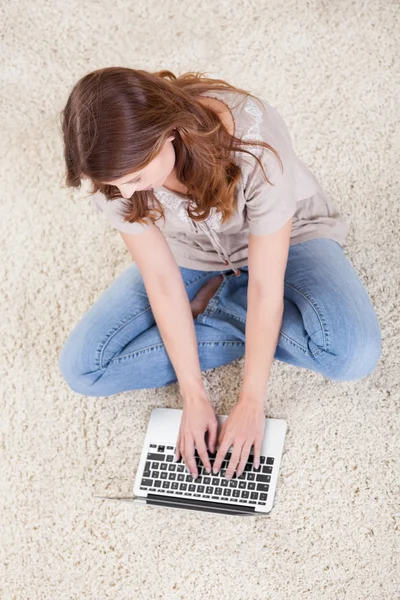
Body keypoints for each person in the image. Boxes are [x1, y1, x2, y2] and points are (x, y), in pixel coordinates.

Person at [58, 67, 381, 481]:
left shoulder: (252, 136)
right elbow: (160, 279)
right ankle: (229, 313)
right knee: (83, 370)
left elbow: (266, 284)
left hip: (292, 235)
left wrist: (250, 399)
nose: (123, 194)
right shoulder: (113, 176)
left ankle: (217, 307)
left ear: (168, 133)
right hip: (191, 253)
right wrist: (193, 395)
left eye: (135, 178)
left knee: (353, 354)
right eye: (112, 185)